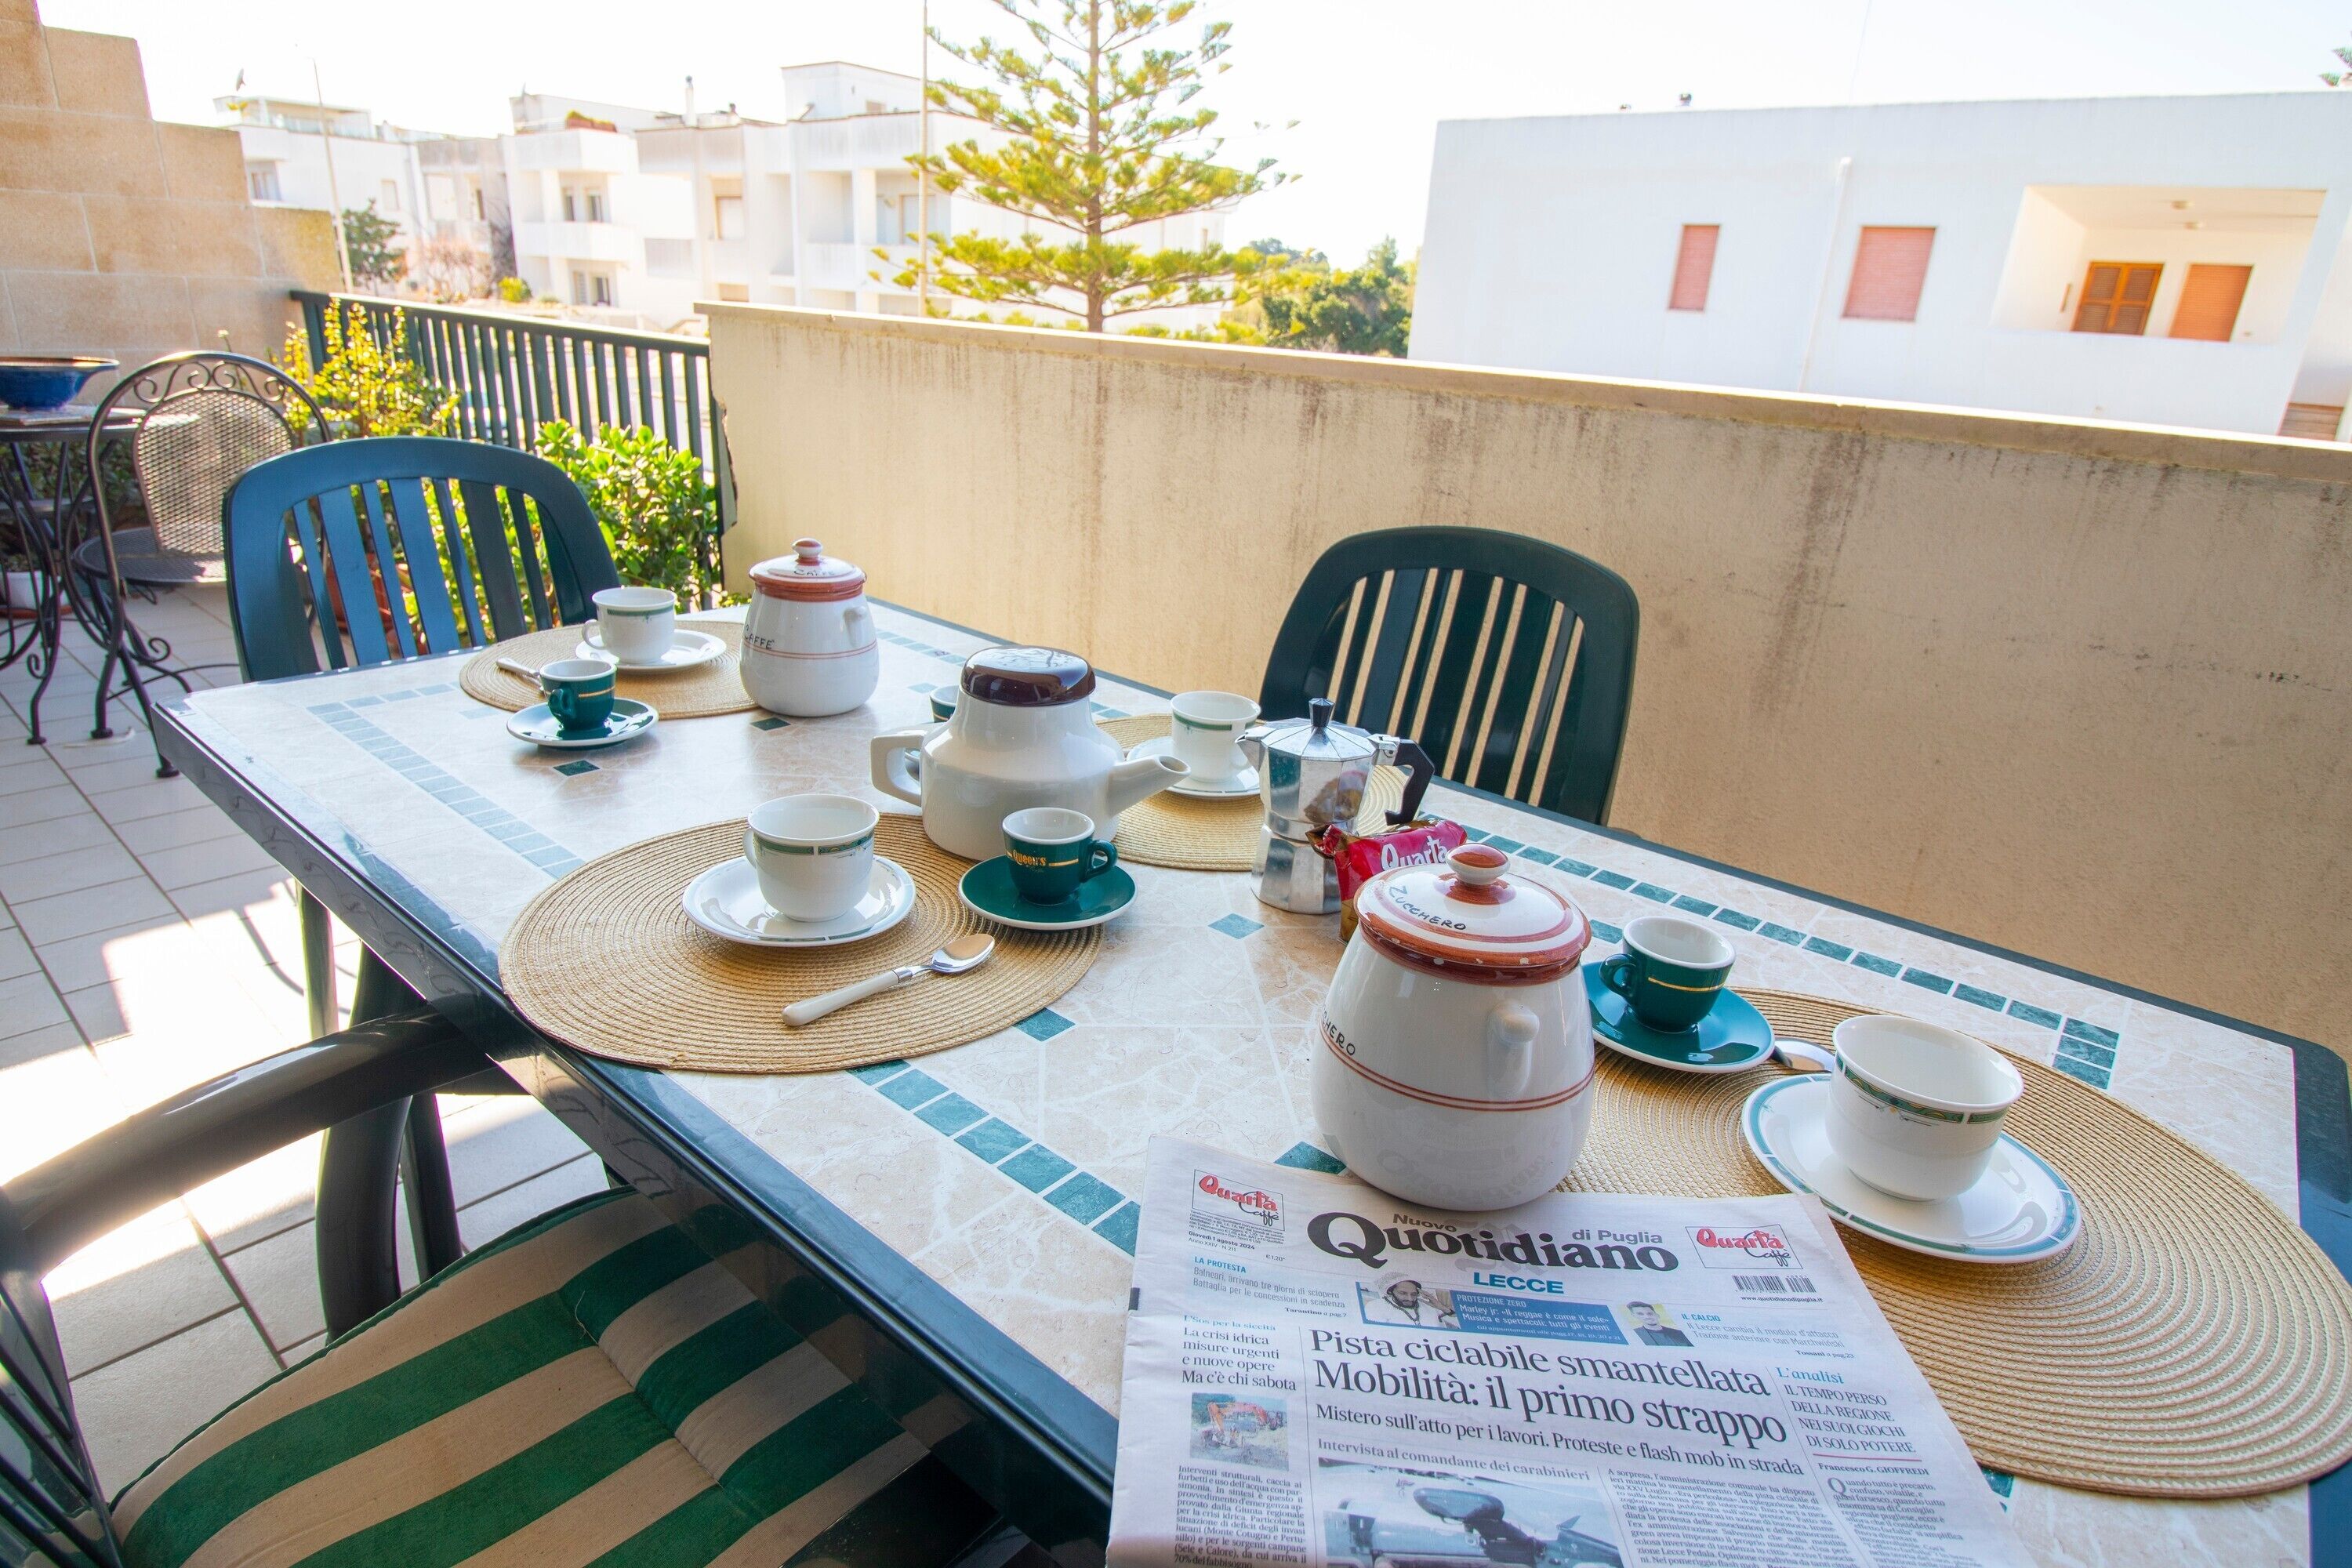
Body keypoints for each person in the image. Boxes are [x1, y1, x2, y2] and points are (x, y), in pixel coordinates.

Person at [1383, 1278, 1458, 1327]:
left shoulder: (1429, 1306)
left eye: (1414, 1294)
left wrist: (1442, 1307)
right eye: (1403, 1293)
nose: (1410, 1299)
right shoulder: (1376, 1307)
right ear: (1390, 1291)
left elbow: (1462, 1327)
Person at [1625, 1301, 1691, 1347]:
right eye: (1640, 1314)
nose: (1647, 1317)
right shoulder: (1634, 1334)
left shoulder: (1679, 1333)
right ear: (1633, 1315)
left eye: (1650, 1313)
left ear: (1657, 1315)